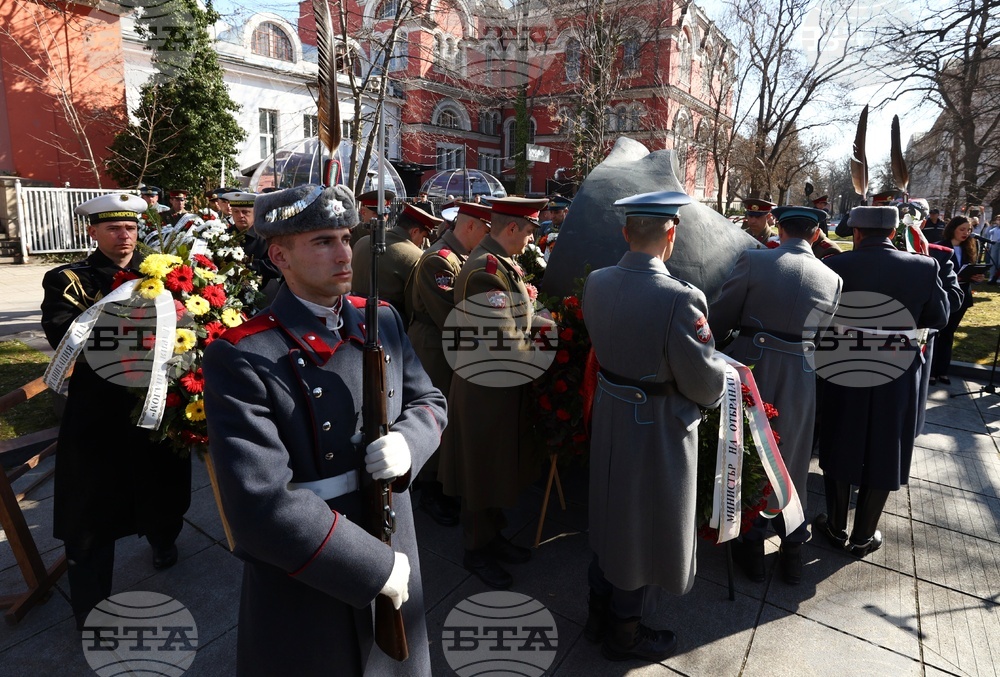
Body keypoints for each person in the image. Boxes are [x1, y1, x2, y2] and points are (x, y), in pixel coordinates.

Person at [202, 184, 447, 676]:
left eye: (344, 236)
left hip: (390, 530)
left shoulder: (382, 319)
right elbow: (260, 503)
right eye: (322, 242)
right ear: (279, 256)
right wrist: (373, 567)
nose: (344, 253)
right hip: (311, 563)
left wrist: (409, 442)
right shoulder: (245, 353)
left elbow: (430, 402)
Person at [582, 190, 727, 662]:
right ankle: (624, 631)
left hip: (608, 413)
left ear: (626, 232)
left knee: (609, 510)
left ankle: (597, 611)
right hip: (657, 426)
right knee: (643, 525)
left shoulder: (597, 281)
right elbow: (705, 386)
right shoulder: (682, 299)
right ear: (672, 233)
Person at [40, 193, 191, 629]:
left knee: (164, 482)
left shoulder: (165, 270)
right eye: (112, 228)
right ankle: (89, 605)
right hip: (99, 413)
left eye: (130, 227)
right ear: (92, 231)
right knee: (89, 508)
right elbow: (63, 335)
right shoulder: (70, 279)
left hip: (158, 406)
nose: (124, 235)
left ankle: (164, 540)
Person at [710, 206, 843, 585]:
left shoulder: (753, 261)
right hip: (801, 377)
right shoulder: (832, 279)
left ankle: (749, 544)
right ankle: (792, 548)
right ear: (816, 234)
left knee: (743, 450)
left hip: (752, 370)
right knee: (792, 460)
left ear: (778, 228)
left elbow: (720, 321)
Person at [815, 206, 949, 557]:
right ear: (892, 233)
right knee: (887, 445)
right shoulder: (924, 266)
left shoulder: (835, 265)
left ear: (856, 233)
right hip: (897, 367)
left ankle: (835, 525)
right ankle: (864, 535)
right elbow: (939, 316)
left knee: (841, 436)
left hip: (844, 362)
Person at [438, 196, 552, 590]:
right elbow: (505, 342)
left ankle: (492, 537)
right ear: (512, 229)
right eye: (529, 231)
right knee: (480, 470)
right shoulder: (485, 269)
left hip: (496, 386)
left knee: (494, 466)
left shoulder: (497, 263)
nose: (531, 239)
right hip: (485, 390)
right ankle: (476, 549)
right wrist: (549, 337)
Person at [406, 201, 491, 526]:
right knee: (434, 416)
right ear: (469, 226)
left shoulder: (457, 257)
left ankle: (440, 484)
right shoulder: (439, 261)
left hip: (445, 343)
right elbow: (451, 316)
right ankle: (429, 489)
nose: (487, 235)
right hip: (434, 347)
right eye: (485, 228)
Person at [352, 203, 441, 324]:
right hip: (389, 325)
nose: (422, 242)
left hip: (353, 318)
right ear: (414, 232)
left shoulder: (362, 242)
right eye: (424, 237)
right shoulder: (416, 256)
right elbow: (413, 308)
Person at [930, 215, 984, 384]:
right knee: (936, 333)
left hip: (962, 296)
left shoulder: (970, 247)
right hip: (943, 295)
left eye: (969, 230)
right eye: (962, 229)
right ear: (952, 228)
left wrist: (976, 277)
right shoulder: (940, 248)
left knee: (948, 334)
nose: (966, 233)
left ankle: (942, 371)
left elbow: (970, 269)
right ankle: (931, 371)